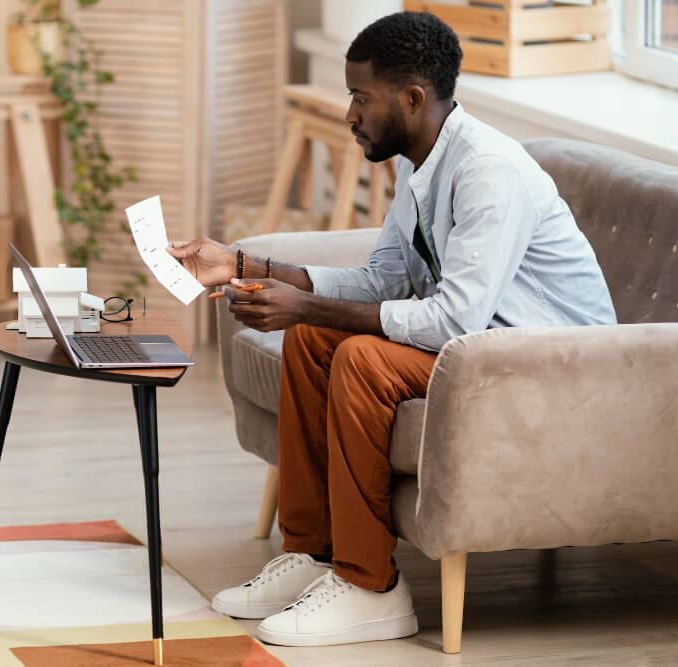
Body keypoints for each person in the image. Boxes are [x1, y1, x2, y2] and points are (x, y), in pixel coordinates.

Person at [167, 11, 617, 648]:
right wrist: (243, 264)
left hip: (556, 366)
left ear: (412, 98)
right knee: (311, 340)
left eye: (361, 97)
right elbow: (383, 280)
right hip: (484, 348)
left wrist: (305, 305)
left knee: (361, 359)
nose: (350, 114)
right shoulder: (419, 163)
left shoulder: (489, 172)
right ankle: (315, 554)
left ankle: (371, 586)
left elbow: (454, 318)